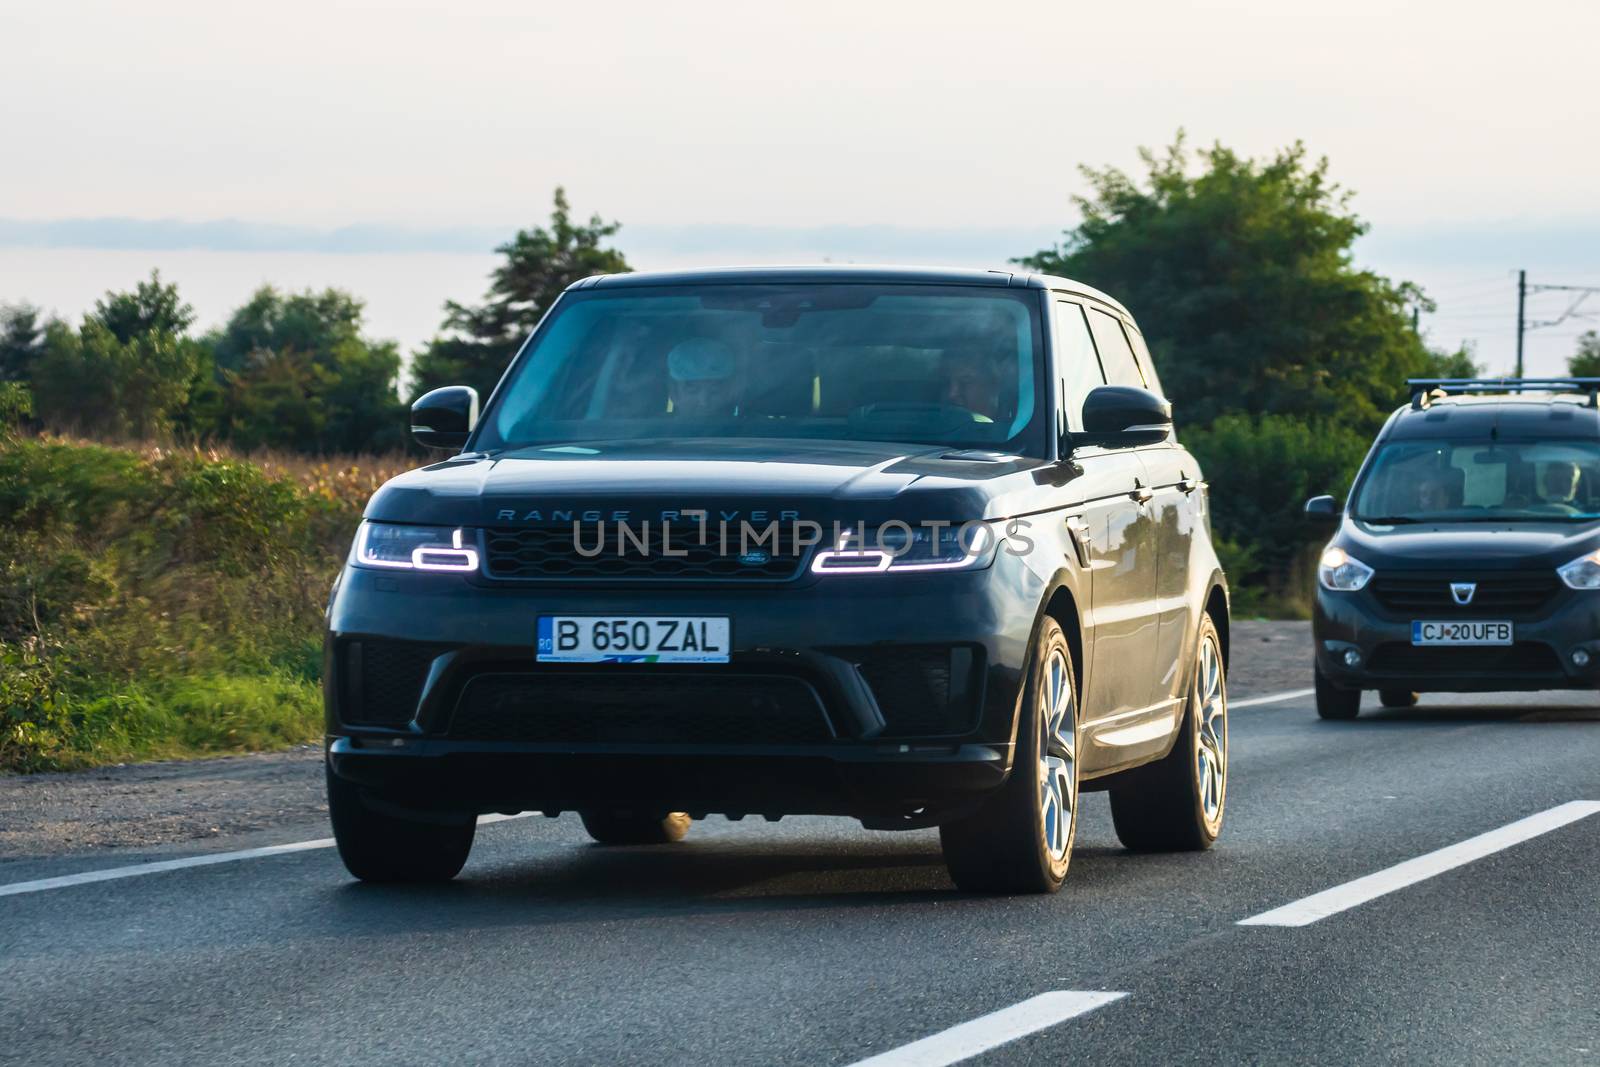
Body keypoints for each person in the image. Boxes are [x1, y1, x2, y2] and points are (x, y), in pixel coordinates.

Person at [667, 338, 741, 417]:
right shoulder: (655, 427)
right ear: (674, 393)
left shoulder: (748, 427)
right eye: (693, 390)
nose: (704, 401)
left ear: (729, 394)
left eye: (714, 390)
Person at [939, 348, 1010, 422]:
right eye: (946, 382)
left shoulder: (1016, 428)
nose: (952, 393)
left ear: (994, 384)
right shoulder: (932, 430)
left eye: (965, 381)